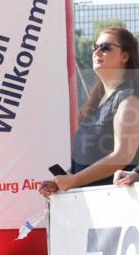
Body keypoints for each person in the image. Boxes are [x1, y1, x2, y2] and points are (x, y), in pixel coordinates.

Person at [40, 27, 139, 197]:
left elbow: (123, 155)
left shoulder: (130, 99)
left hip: (117, 206)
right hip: (90, 208)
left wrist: (74, 180)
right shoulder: (97, 101)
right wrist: (64, 180)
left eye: (105, 47)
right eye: (95, 47)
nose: (97, 52)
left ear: (125, 56)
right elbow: (91, 157)